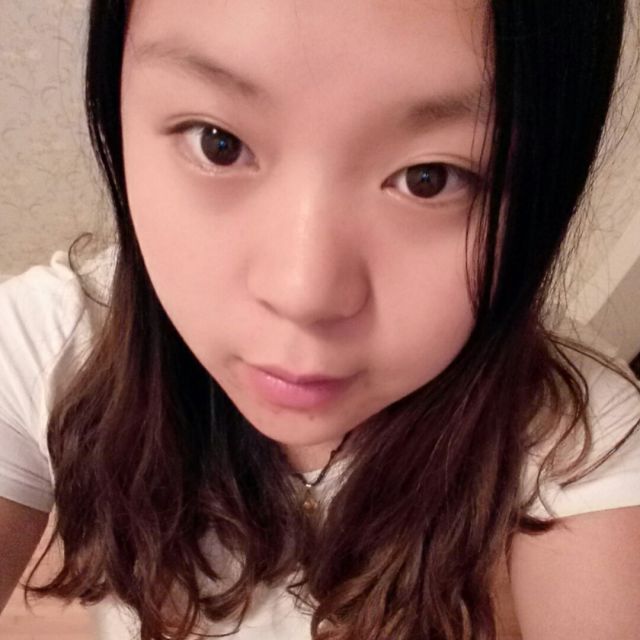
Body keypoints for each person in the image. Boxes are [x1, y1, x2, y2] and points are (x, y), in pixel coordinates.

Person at [1, 0, 639, 638]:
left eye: (430, 178)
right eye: (219, 144)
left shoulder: (584, 444)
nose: (302, 293)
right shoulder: (47, 342)